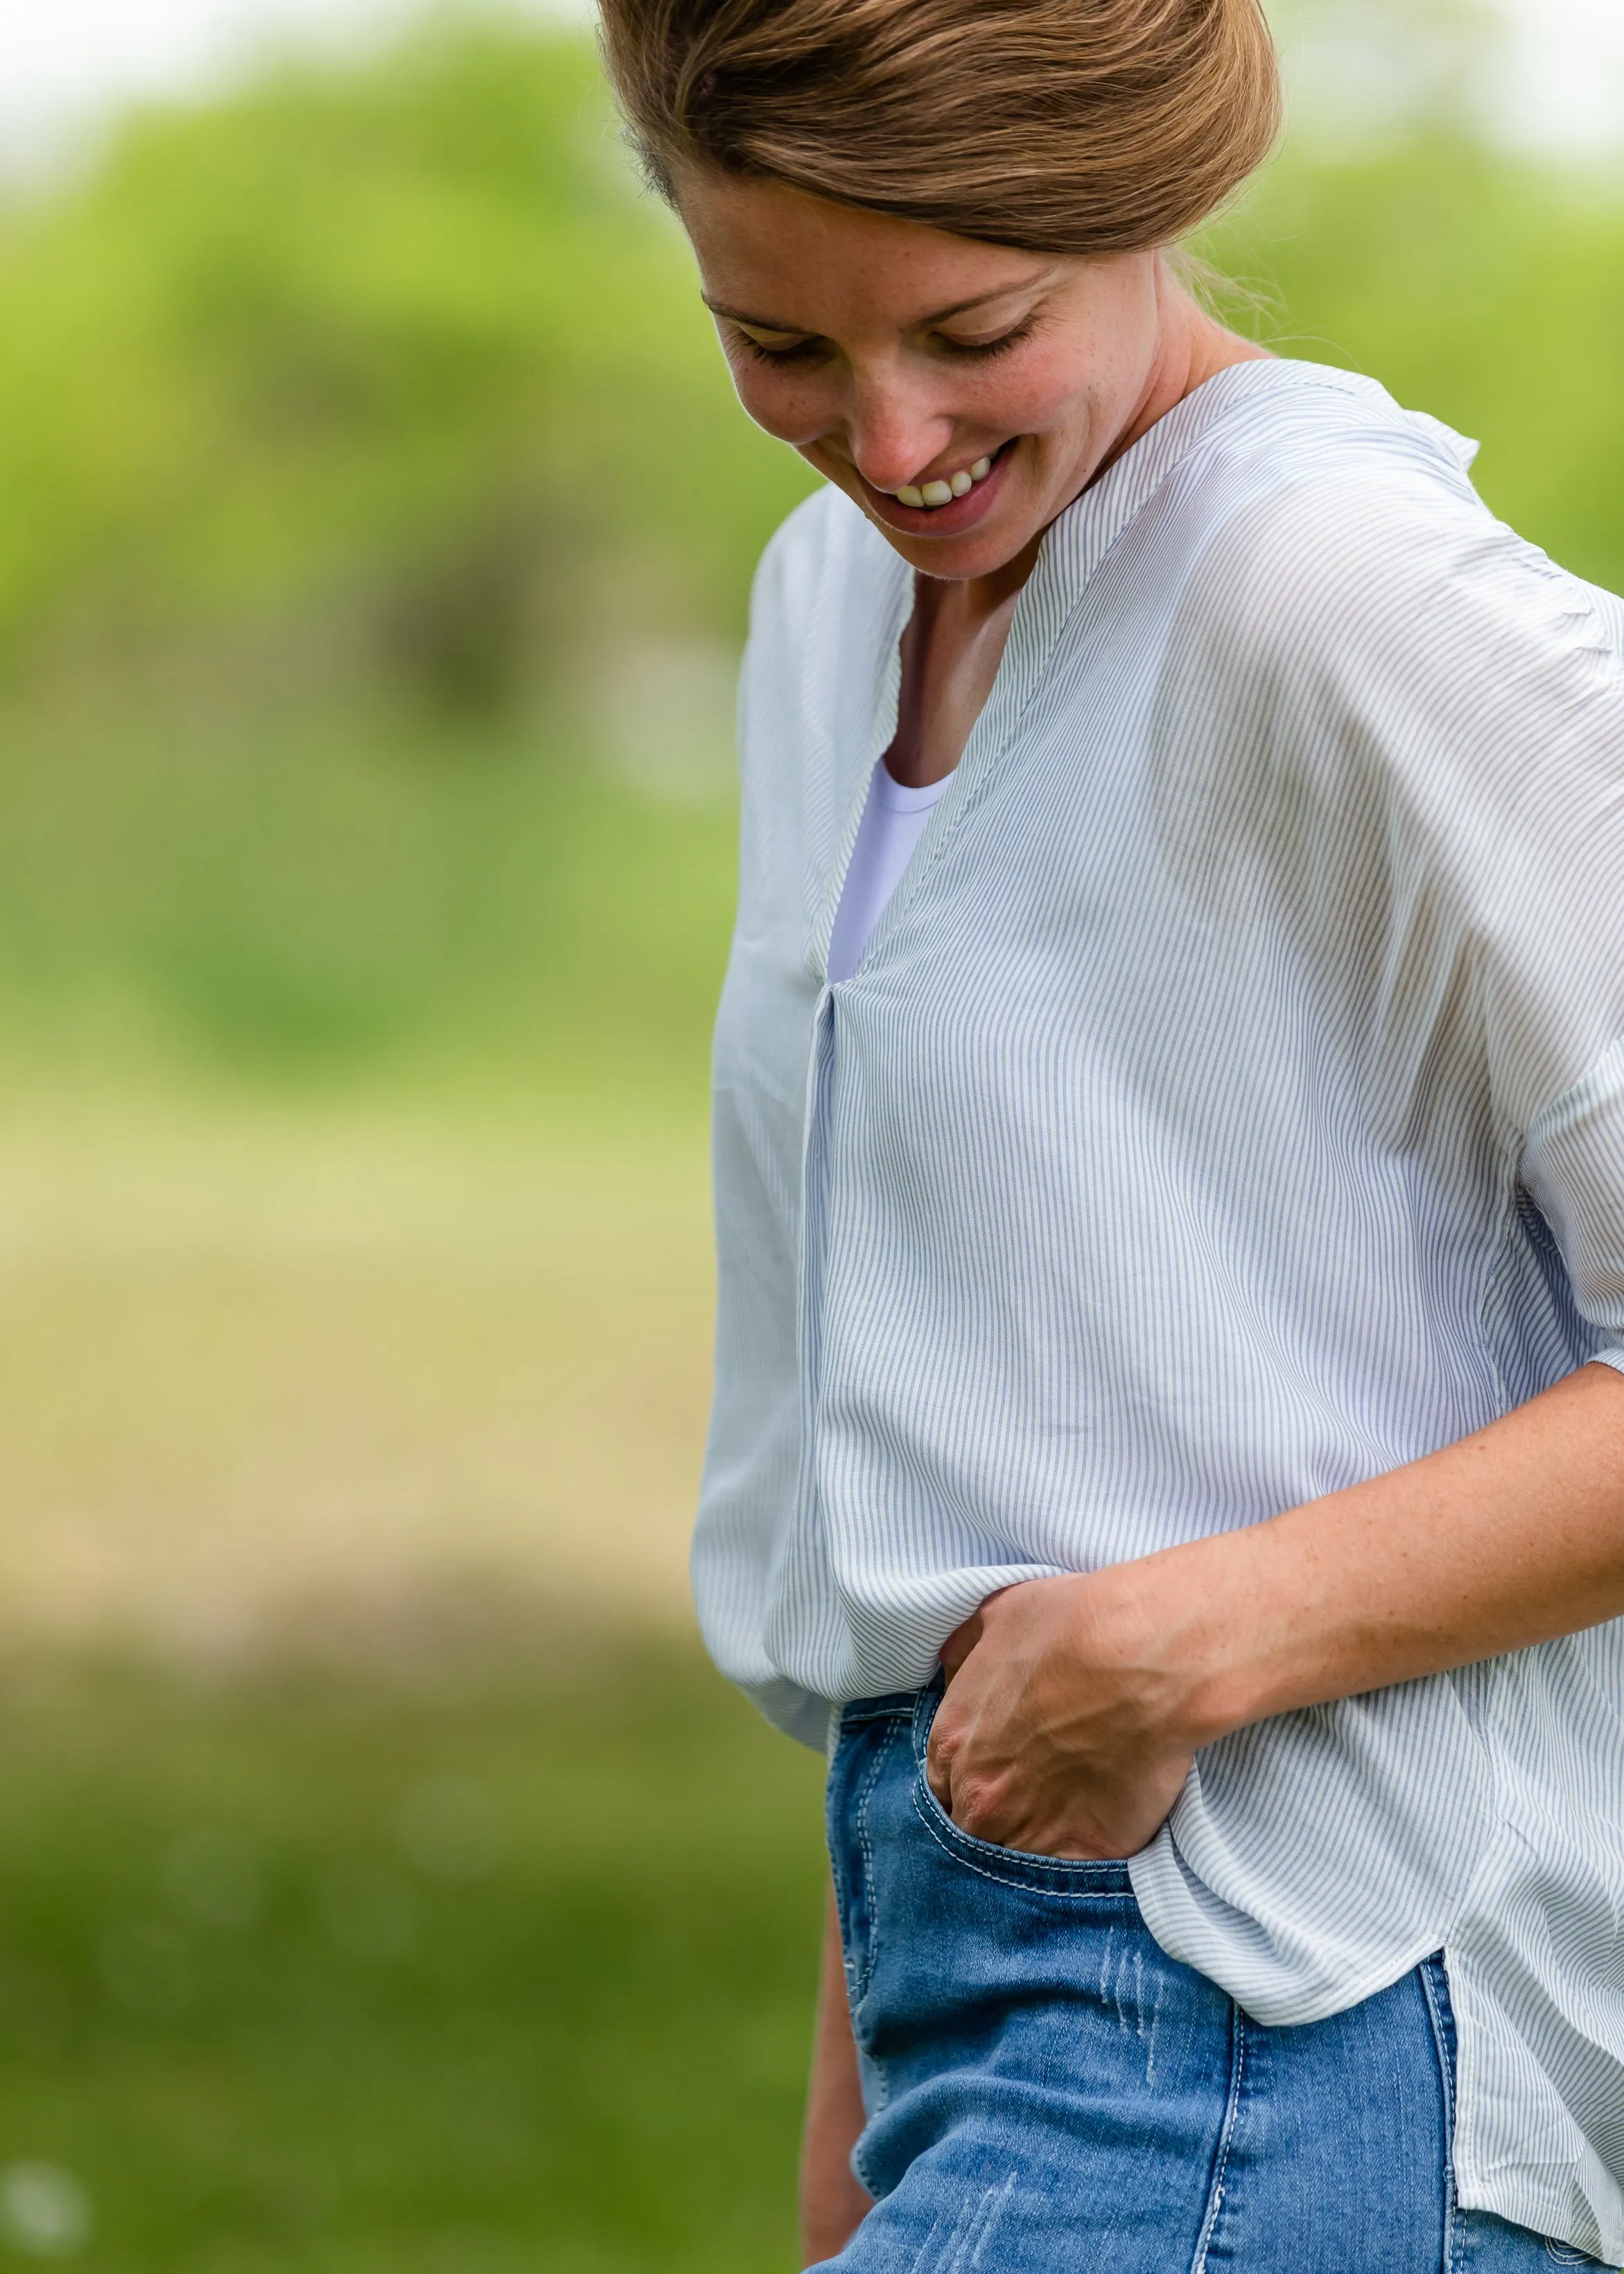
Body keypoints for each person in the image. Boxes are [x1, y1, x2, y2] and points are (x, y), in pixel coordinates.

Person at [597, 1, 1624, 2266]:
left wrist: (1183, 1645)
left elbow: (1094, 1624)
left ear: (1143, 215)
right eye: (776, 343)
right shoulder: (827, 610)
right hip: (968, 1965)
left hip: (1310, 1993)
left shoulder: (1330, 593)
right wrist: (865, 2101)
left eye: (975, 329)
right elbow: (936, 1447)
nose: (888, 438)